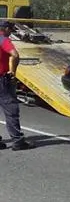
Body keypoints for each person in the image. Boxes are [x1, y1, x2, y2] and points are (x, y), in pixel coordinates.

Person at [0, 21, 34, 151]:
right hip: (2, 80)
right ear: (6, 29)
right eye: (11, 30)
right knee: (11, 110)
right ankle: (18, 141)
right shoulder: (3, 39)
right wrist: (12, 72)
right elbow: (15, 54)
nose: (11, 33)